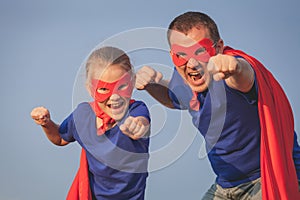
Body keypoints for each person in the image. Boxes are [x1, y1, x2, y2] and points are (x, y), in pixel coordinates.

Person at [135, 11, 300, 199]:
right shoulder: (185, 78)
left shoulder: (229, 72)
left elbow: (245, 78)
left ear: (219, 47)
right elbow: (174, 99)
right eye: (181, 55)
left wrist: (235, 67)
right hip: (225, 186)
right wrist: (150, 86)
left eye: (201, 51)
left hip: (264, 178)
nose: (192, 64)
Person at [31, 46, 151, 200]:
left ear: (133, 82)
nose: (114, 97)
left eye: (121, 87)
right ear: (90, 89)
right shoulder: (83, 115)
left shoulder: (136, 109)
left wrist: (136, 126)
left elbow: (141, 124)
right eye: (103, 89)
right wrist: (46, 123)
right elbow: (60, 138)